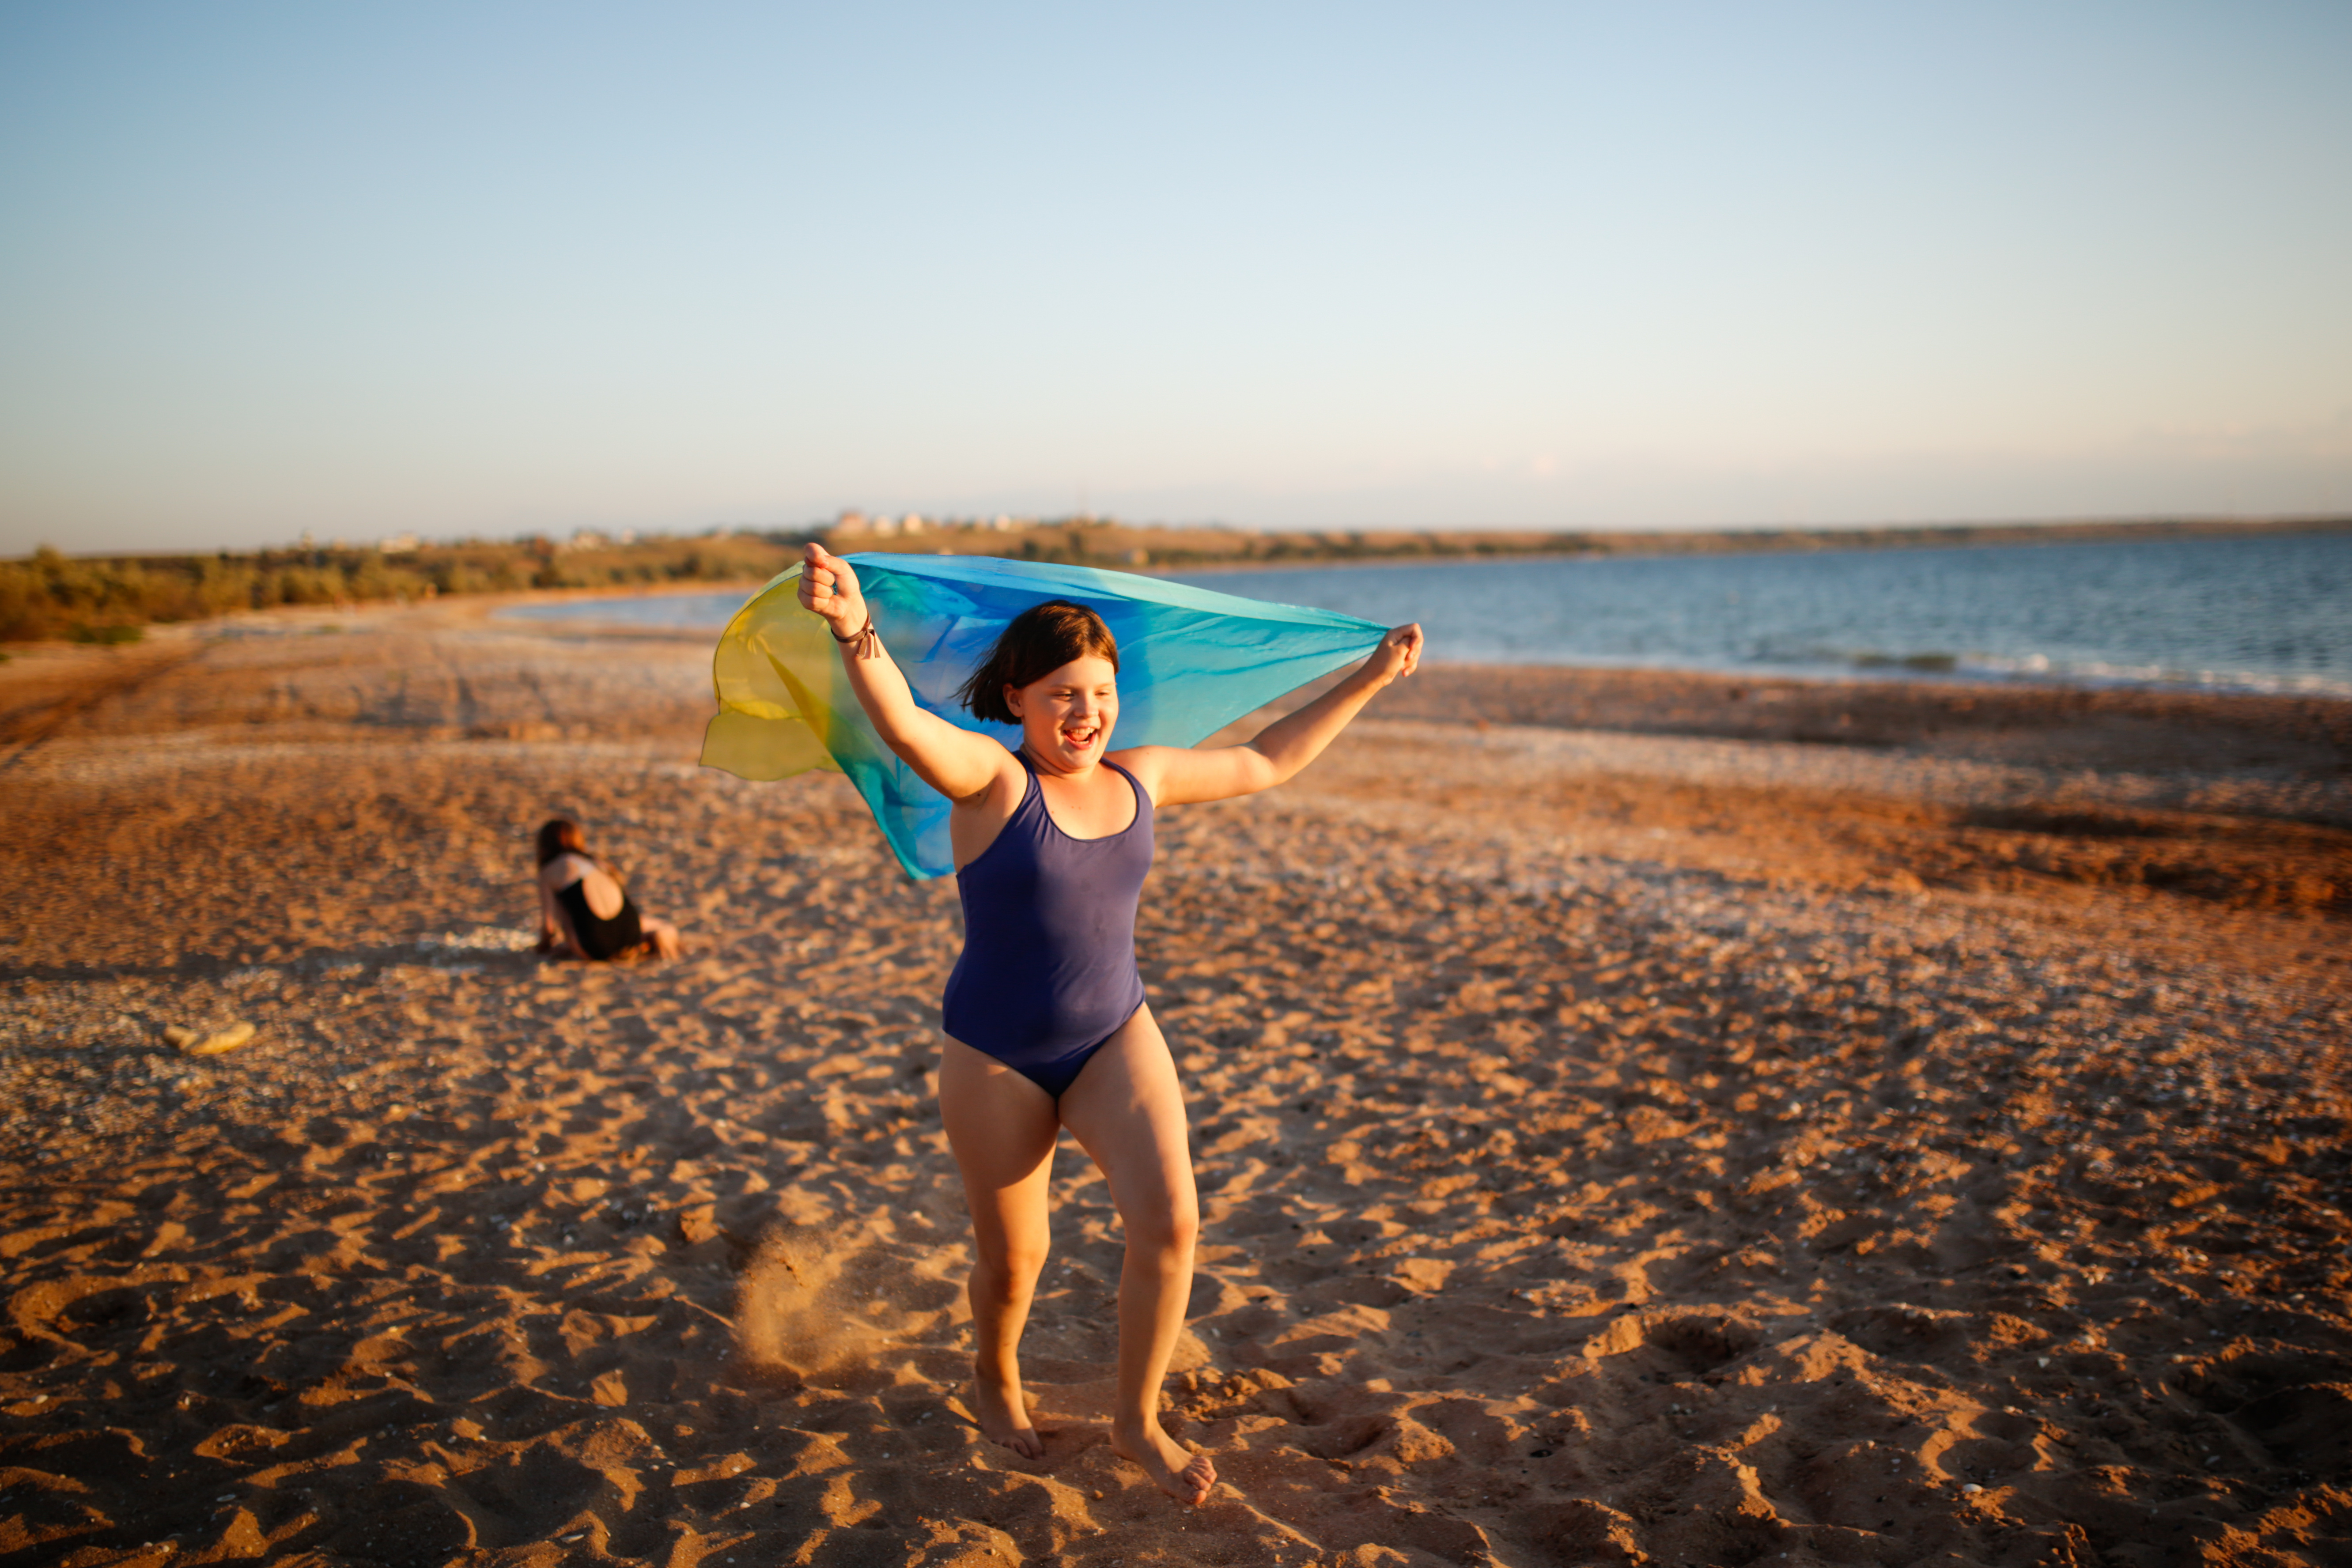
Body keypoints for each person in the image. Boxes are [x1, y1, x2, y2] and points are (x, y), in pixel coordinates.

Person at [795, 541, 1422, 1505]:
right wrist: (855, 631)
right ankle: (994, 1378)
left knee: (1172, 1221)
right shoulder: (994, 784)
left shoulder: (1141, 778)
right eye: (1058, 693)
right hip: (995, 1054)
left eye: (1097, 690)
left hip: (1113, 1034)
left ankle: (1137, 1417)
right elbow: (909, 728)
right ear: (1014, 698)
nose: (1082, 711)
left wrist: (1368, 676)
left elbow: (1266, 758)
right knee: (1016, 1261)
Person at [534, 818, 682, 962]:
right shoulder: (597, 862)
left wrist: (542, 948)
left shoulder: (548, 870)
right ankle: (649, 941)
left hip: (596, 946)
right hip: (630, 933)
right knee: (657, 925)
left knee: (565, 905)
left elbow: (549, 928)